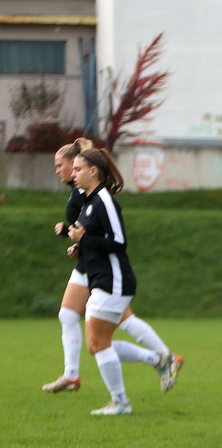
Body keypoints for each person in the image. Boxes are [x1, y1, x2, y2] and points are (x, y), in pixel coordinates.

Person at [45, 139, 181, 398]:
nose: (65, 172)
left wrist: (82, 240)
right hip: (97, 271)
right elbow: (92, 233)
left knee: (101, 340)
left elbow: (117, 241)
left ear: (91, 170)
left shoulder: (100, 199)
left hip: (111, 276)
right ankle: (158, 361)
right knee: (97, 339)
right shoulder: (87, 199)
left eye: (70, 167)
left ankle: (154, 367)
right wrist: (80, 244)